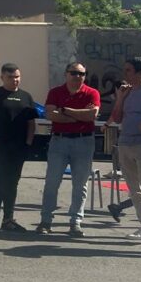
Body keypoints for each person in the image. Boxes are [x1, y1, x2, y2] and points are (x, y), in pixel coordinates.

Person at [37, 62, 101, 237]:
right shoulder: (55, 92)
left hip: (84, 141)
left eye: (82, 73)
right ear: (66, 74)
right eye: (73, 73)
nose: (77, 76)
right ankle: (46, 220)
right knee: (52, 182)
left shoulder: (92, 93)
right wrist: (78, 116)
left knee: (80, 184)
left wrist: (65, 110)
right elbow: (50, 114)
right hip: (59, 141)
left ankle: (75, 222)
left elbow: (92, 115)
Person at [0, 63, 38, 233]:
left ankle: (8, 220)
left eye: (17, 77)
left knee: (13, 181)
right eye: (10, 77)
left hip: (19, 147)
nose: (14, 80)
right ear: (2, 77)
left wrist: (29, 142)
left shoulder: (26, 96)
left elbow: (31, 122)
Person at [107, 58, 141, 244]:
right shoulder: (126, 91)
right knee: (134, 188)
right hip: (125, 142)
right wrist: (120, 98)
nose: (125, 74)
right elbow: (116, 118)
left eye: (129, 70)